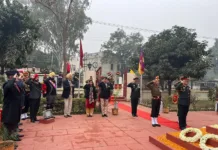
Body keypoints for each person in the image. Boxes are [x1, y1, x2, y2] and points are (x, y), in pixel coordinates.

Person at [2, 71, 22, 141]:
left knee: (15, 121)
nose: (17, 77)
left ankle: (15, 134)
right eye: (16, 76)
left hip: (15, 106)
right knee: (10, 123)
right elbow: (8, 87)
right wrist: (13, 79)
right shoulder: (6, 84)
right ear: (11, 77)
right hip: (10, 107)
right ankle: (11, 138)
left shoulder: (14, 84)